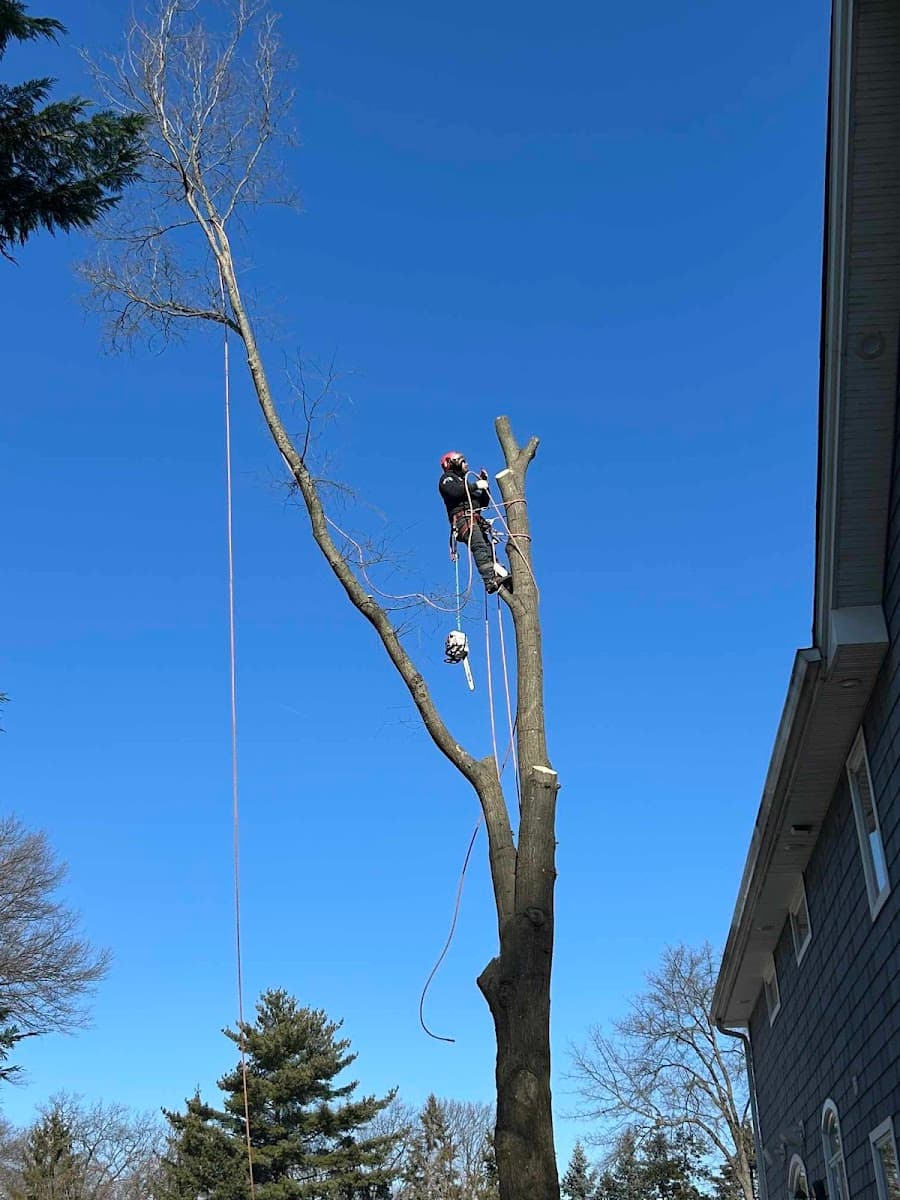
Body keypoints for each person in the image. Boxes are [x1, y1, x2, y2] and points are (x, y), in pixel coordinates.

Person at [438, 451, 511, 593]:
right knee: (479, 546)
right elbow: (456, 492)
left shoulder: (465, 484)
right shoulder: (447, 479)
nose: (466, 464)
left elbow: (481, 503)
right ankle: (490, 579)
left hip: (474, 519)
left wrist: (485, 487)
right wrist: (476, 485)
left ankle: (502, 578)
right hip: (463, 520)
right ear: (452, 463)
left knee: (489, 551)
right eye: (462, 460)